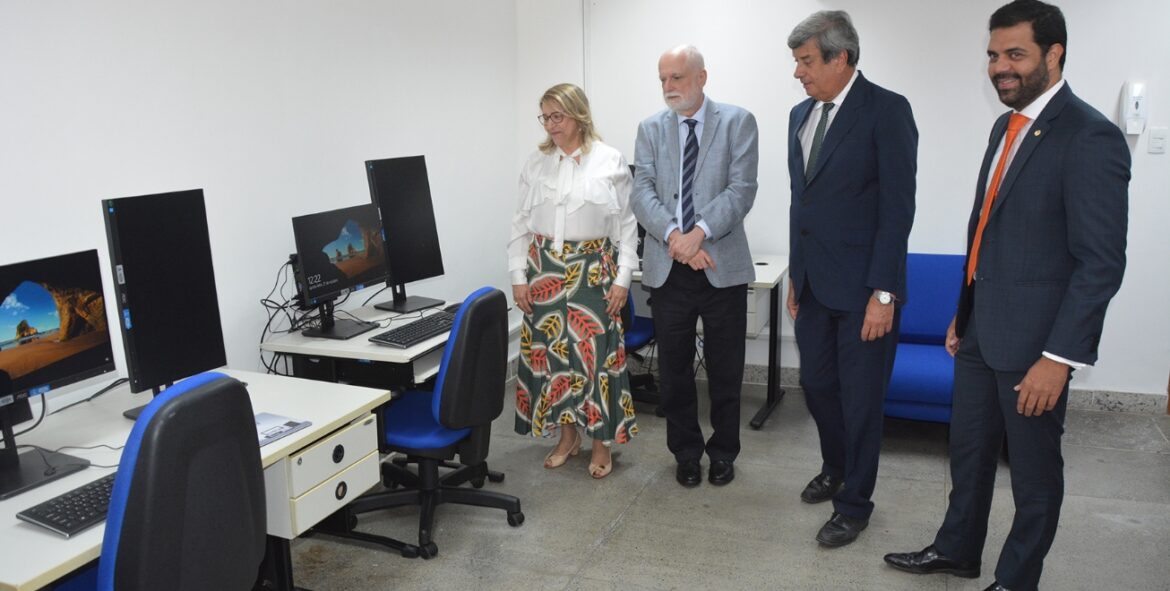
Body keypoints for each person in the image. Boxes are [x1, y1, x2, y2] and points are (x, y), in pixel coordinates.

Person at [883, 2, 1129, 589]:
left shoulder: (1090, 135)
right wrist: (962, 314)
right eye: (993, 55)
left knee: (1034, 476)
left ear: (1054, 54)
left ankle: (1017, 579)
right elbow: (987, 234)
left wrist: (1059, 358)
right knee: (968, 454)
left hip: (1036, 348)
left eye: (1015, 54)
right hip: (980, 334)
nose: (999, 67)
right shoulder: (1006, 126)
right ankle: (957, 550)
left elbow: (1100, 264)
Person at [785, 10, 918, 548]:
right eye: (797, 62)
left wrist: (885, 292)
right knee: (817, 386)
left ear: (841, 58)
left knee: (861, 403)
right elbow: (802, 203)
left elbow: (897, 210)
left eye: (806, 61)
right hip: (814, 286)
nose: (798, 72)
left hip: (866, 291)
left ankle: (855, 503)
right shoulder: (800, 115)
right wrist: (796, 274)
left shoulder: (886, 110)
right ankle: (835, 466)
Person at [631, 45, 758, 488]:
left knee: (726, 370)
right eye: (663, 79)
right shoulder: (650, 129)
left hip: (721, 265)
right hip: (670, 268)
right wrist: (676, 238)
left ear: (701, 77)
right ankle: (685, 453)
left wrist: (698, 233)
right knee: (674, 372)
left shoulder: (738, 122)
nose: (668, 87)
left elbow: (741, 190)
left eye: (677, 78)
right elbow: (641, 192)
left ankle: (723, 452)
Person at [510, 83, 639, 480]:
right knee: (553, 357)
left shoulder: (610, 160)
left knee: (595, 359)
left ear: (579, 115)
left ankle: (601, 442)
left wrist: (623, 278)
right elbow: (519, 223)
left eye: (558, 116)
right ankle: (568, 438)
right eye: (545, 117)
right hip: (543, 268)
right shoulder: (536, 163)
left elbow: (627, 227)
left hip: (594, 268)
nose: (551, 125)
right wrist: (517, 276)